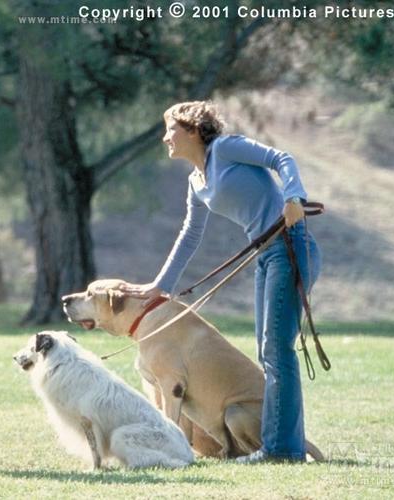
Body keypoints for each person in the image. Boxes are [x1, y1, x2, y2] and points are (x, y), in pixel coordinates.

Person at [121, 101, 321, 463]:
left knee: (277, 352)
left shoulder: (225, 149)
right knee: (269, 352)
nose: (165, 137)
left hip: (291, 248)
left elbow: (282, 158)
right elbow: (190, 235)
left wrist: (293, 196)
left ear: (194, 130)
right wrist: (160, 286)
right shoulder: (196, 181)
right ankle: (282, 447)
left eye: (171, 129)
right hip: (266, 256)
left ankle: (280, 450)